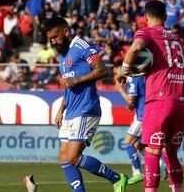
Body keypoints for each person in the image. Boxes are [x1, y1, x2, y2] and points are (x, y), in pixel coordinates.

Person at [44, 17, 127, 192]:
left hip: (86, 108)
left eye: (55, 37)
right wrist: (60, 110)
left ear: (66, 31)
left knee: (73, 157)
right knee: (63, 157)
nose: (53, 42)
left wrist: (77, 80)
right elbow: (68, 86)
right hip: (70, 111)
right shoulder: (63, 56)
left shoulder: (82, 46)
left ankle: (117, 178)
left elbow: (102, 70)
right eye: (50, 38)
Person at [117, 0, 184, 192]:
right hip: (181, 99)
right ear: (165, 17)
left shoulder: (145, 32)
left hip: (159, 99)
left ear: (145, 17)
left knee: (152, 152)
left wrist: (124, 71)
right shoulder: (176, 37)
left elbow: (135, 48)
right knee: (171, 152)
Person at [113, 61, 145, 185]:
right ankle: (162, 165)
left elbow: (131, 98)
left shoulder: (132, 78)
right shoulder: (141, 76)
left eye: (116, 72)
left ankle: (137, 173)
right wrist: (133, 105)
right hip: (147, 113)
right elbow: (140, 97)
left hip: (143, 116)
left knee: (128, 142)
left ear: (123, 68)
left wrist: (120, 90)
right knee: (140, 145)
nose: (116, 76)